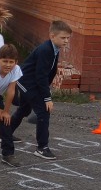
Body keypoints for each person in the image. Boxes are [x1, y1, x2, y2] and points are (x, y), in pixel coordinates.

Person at [9, 19, 72, 160]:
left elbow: (50, 72)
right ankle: (42, 148)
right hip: (26, 82)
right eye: (63, 38)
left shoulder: (54, 48)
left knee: (24, 109)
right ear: (52, 36)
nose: (66, 41)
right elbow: (41, 75)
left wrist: (46, 91)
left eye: (68, 38)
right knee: (43, 112)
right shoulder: (46, 50)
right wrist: (47, 97)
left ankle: (6, 133)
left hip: (34, 82)